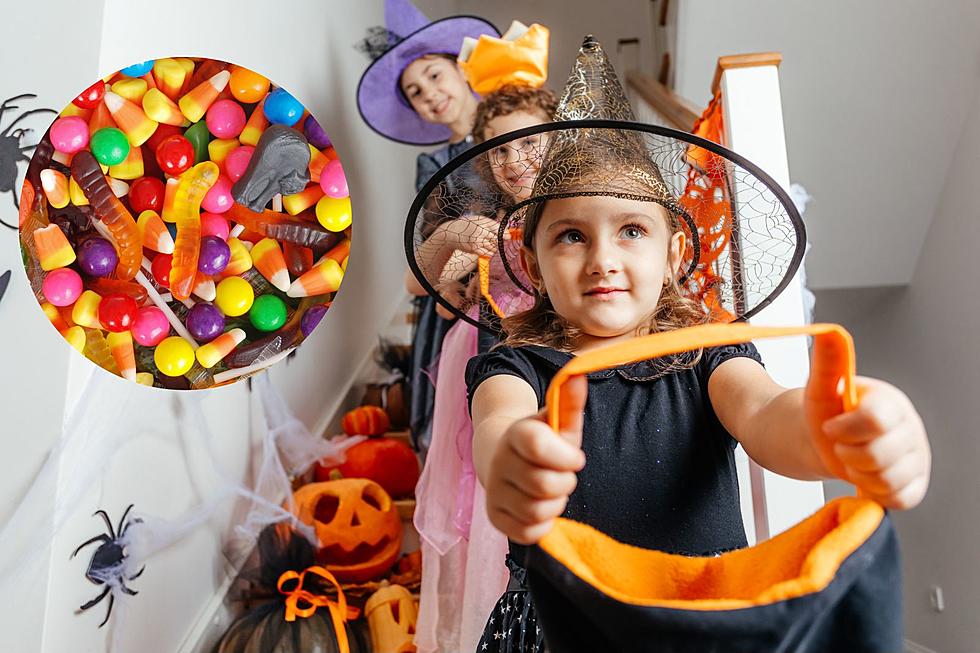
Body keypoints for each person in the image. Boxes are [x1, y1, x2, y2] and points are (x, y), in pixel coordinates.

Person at [418, 37, 931, 652]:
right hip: (561, 629)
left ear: (674, 254)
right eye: (570, 236)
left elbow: (768, 414)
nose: (602, 259)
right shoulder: (514, 366)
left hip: (700, 621)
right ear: (532, 262)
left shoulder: (707, 352)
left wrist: (830, 429)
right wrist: (513, 461)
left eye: (631, 230)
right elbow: (500, 423)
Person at [405, 28, 556, 653]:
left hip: (547, 367)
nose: (513, 158)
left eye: (526, 145)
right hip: (483, 360)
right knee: (488, 495)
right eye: (497, 151)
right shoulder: (481, 210)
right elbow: (430, 288)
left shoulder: (576, 211)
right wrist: (460, 251)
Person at [356, 0, 499, 454]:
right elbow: (430, 246)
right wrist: (459, 261)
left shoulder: (512, 132)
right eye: (416, 92)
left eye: (434, 75)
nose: (430, 93)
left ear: (460, 70)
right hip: (460, 298)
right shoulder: (432, 164)